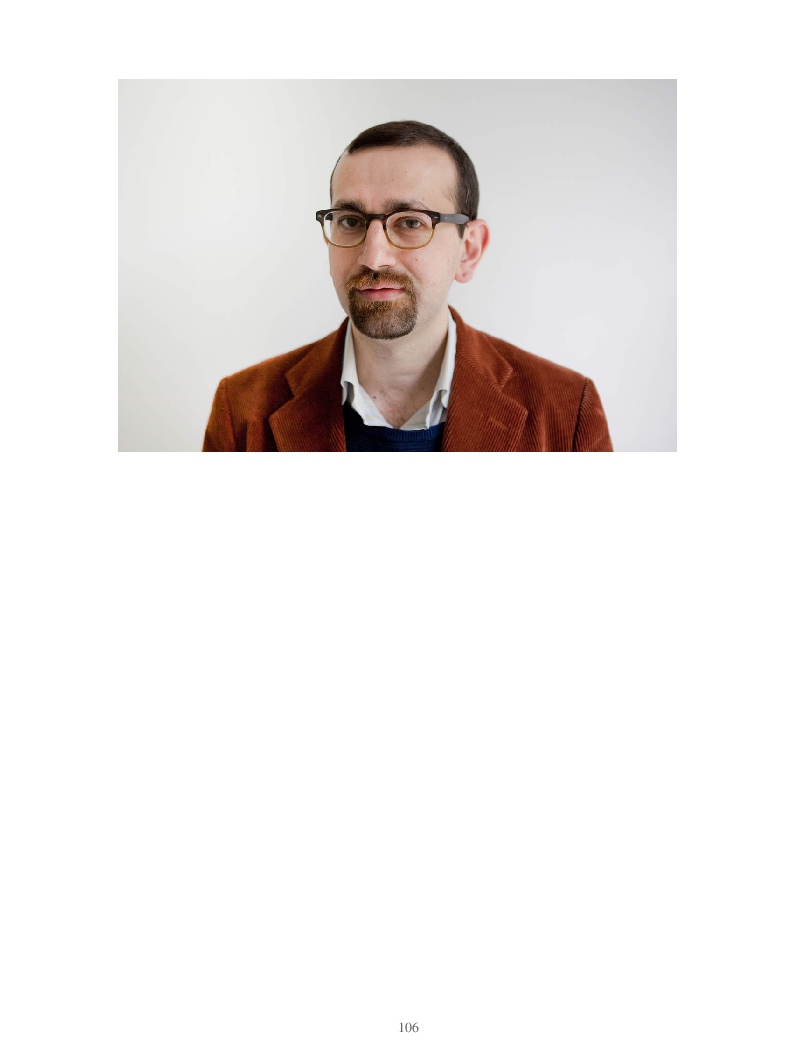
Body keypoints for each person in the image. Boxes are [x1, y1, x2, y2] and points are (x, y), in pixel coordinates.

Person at [203, 120, 613, 452]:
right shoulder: (242, 407)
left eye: (411, 222)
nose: (373, 257)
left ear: (469, 249)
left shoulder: (567, 411)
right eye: (350, 221)